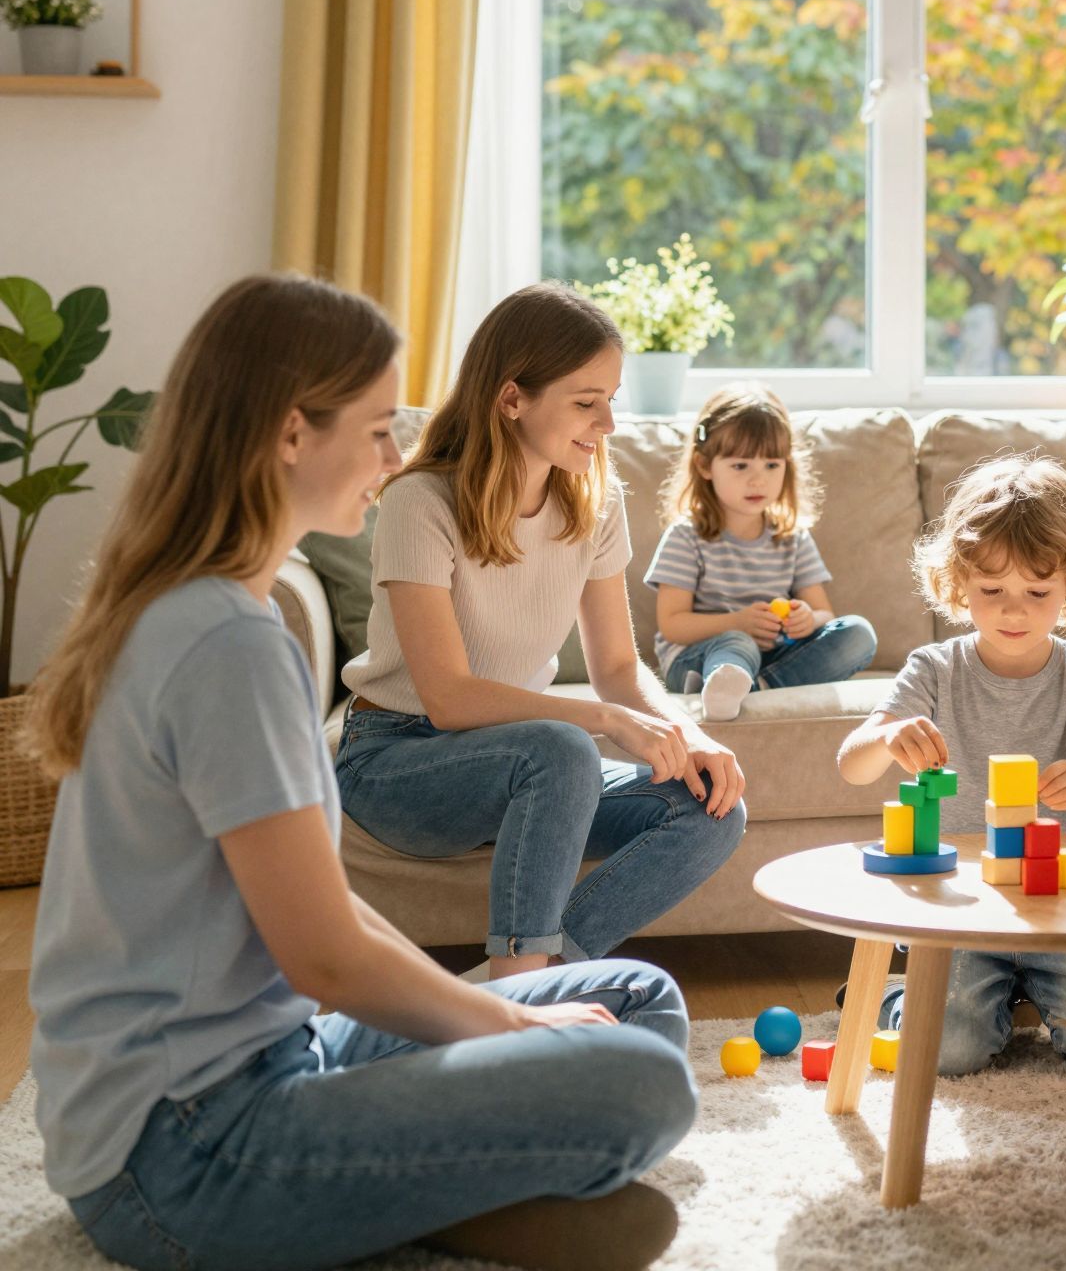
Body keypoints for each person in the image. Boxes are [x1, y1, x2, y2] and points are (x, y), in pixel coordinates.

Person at [30, 276, 698, 1271]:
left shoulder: (217, 612)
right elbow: (327, 960)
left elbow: (324, 917)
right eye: (380, 429)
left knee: (638, 1001)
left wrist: (515, 1025)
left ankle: (390, 1196)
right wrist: (513, 1021)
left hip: (273, 1058)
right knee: (645, 1086)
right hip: (179, 1147)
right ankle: (404, 1201)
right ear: (293, 432)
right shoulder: (226, 644)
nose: (394, 460)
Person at [335, 283, 745, 982]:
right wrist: (605, 720)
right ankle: (520, 983)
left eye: (611, 398)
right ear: (511, 398)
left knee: (710, 809)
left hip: (531, 767)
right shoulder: (419, 502)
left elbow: (617, 663)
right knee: (560, 748)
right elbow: (450, 699)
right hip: (399, 763)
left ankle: (532, 979)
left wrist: (695, 738)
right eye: (587, 402)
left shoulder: (595, 501)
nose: (609, 423)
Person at [835, 455, 1066, 1073]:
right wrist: (888, 735)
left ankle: (1034, 991)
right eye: (992, 592)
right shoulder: (934, 669)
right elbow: (853, 765)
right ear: (959, 584)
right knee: (947, 1051)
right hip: (961, 908)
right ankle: (901, 997)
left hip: (1061, 903)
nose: (1014, 612)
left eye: (1037, 593)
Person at [648, 382, 877, 721]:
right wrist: (738, 623)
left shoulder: (792, 537)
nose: (758, 481)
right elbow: (672, 625)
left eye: (772, 465)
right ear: (705, 466)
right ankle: (729, 682)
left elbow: (824, 614)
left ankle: (756, 687)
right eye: (741, 466)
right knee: (736, 643)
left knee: (858, 633)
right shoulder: (686, 536)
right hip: (700, 659)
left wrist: (806, 620)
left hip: (774, 656)